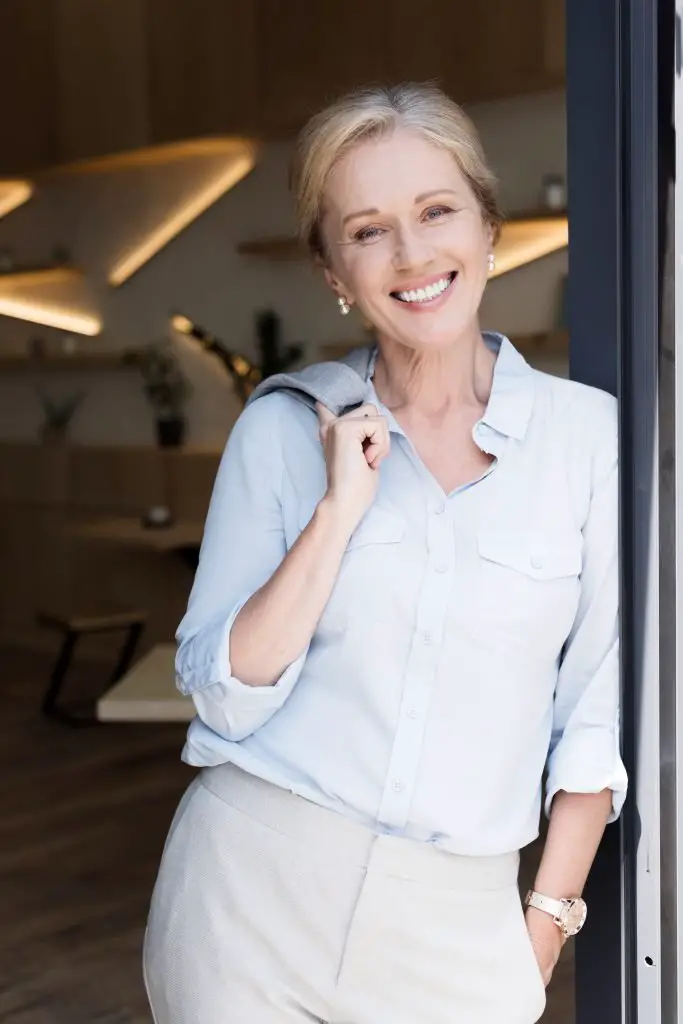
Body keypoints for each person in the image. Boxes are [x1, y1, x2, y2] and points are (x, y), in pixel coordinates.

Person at [143, 82, 627, 1024]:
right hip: (248, 901)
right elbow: (222, 688)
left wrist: (537, 938)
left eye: (436, 211)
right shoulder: (284, 427)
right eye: (366, 230)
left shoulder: (586, 443)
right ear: (332, 270)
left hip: (457, 933)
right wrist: (337, 512)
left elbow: (594, 722)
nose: (411, 255)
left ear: (487, 227)